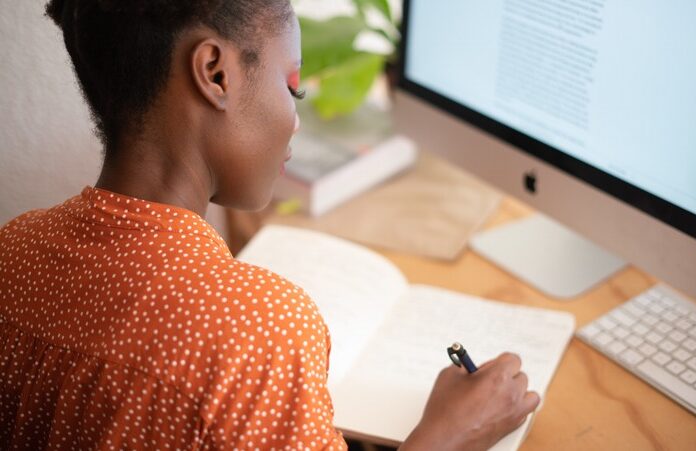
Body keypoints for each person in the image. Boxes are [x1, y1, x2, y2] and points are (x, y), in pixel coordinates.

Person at [0, 1, 539, 449]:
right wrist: (448, 434)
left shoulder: (13, 250)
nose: (296, 119)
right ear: (215, 73)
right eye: (293, 87)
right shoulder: (259, 334)